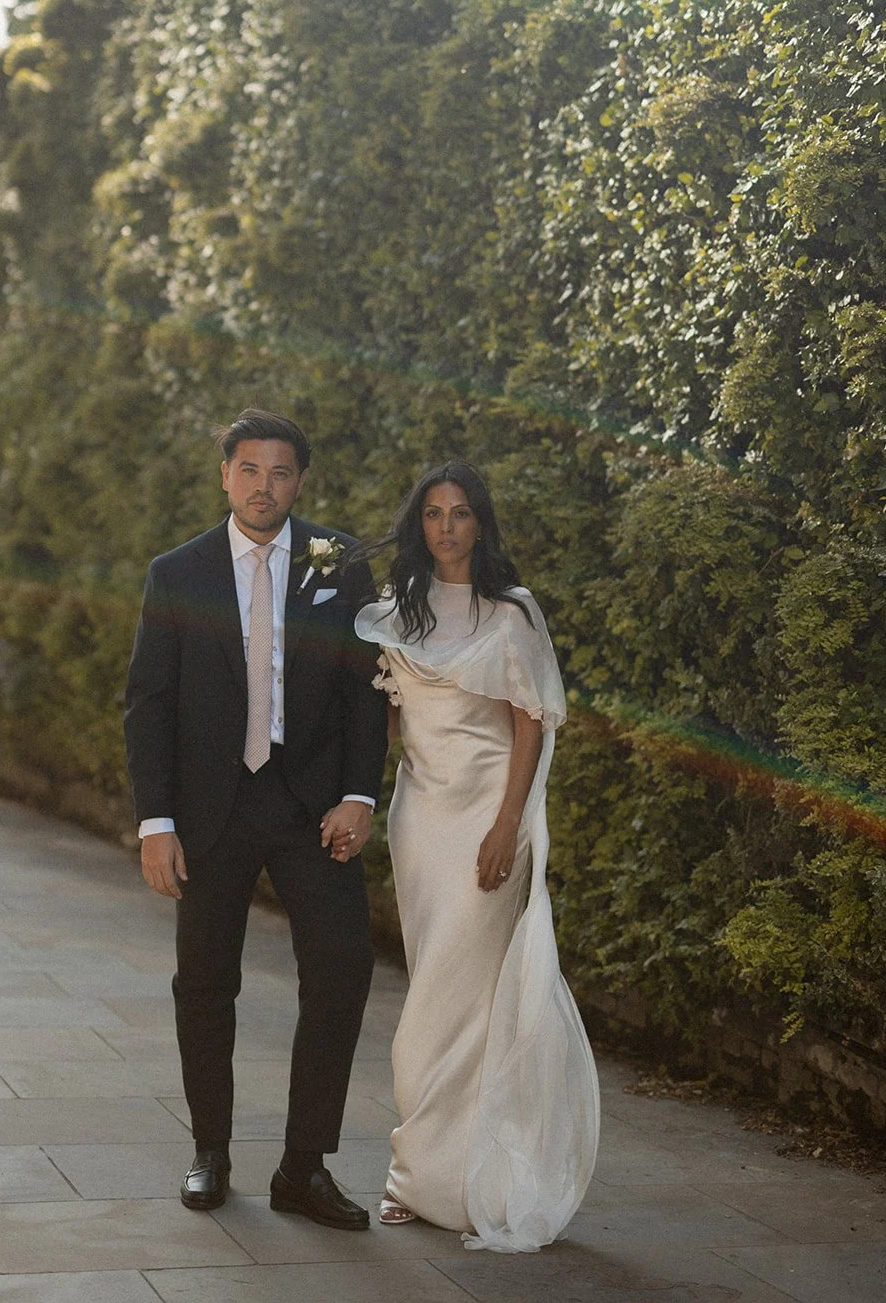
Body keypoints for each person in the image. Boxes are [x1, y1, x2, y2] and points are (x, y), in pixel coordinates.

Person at [124, 409, 387, 1229]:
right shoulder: (178, 572)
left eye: (279, 472)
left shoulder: (339, 564)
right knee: (205, 982)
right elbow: (148, 703)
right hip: (212, 809)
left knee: (341, 971)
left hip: (312, 806)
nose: (262, 486)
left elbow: (365, 688)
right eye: (248, 469)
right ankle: (210, 1150)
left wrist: (360, 794)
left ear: (298, 480)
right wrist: (155, 822)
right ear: (224, 476)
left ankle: (303, 1168)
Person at [354, 461, 600, 1252]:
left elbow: (529, 723)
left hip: (487, 815)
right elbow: (386, 721)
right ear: (417, 524)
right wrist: (348, 795)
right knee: (431, 978)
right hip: (419, 819)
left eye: (460, 513)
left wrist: (506, 825)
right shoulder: (396, 609)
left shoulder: (509, 612)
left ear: (480, 523)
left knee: (458, 996)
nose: (446, 527)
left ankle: (437, 1178)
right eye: (432, 513)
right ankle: (423, 1176)